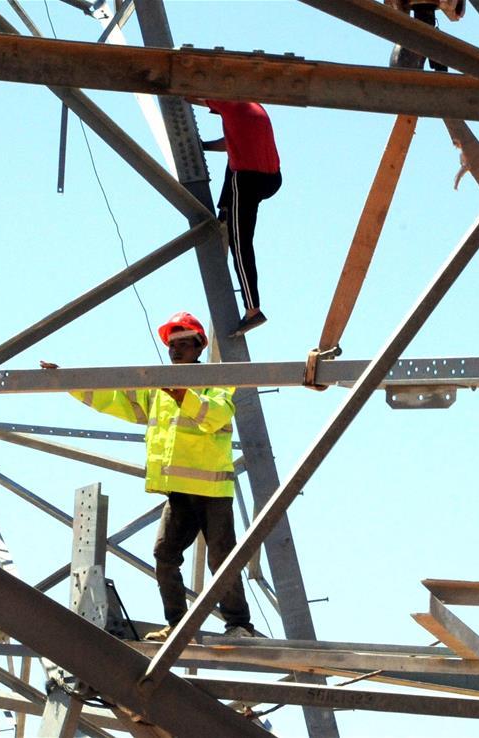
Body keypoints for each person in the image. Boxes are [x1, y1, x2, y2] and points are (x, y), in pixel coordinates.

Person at [41, 311, 255, 641]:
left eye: (184, 344)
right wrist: (70, 383)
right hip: (180, 492)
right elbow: (114, 399)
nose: (176, 350)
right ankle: (179, 626)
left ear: (199, 348)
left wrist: (183, 395)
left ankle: (239, 625)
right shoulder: (158, 391)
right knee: (165, 556)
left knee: (222, 559)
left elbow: (216, 415)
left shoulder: (215, 382)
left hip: (213, 490)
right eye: (172, 345)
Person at [190, 98, 281, 337]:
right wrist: (205, 146)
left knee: (240, 245)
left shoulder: (229, 101)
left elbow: (190, 94)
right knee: (233, 166)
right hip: (271, 178)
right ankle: (226, 209)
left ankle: (253, 310)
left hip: (248, 180)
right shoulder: (254, 107)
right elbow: (232, 144)